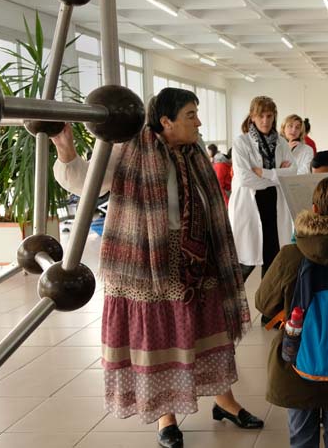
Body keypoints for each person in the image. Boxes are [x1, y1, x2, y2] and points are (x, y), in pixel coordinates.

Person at [51, 88, 261, 448]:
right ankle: (167, 417)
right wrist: (65, 149)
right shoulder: (128, 148)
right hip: (148, 262)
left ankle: (225, 402)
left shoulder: (193, 151)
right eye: (191, 115)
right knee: (161, 336)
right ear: (166, 121)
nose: (199, 122)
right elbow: (87, 183)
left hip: (197, 256)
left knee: (208, 331)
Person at [256, 176, 328, 448]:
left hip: (296, 363)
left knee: (302, 438)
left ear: (315, 210)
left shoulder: (291, 255)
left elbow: (264, 303)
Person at [229, 96, 296, 279]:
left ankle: (266, 298)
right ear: (252, 117)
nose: (265, 121)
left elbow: (293, 171)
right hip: (250, 205)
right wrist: (278, 176)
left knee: (272, 257)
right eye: (261, 116)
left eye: (269, 116)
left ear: (274, 116)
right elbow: (244, 178)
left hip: (274, 204)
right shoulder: (241, 142)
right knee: (246, 263)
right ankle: (232, 297)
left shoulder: (281, 142)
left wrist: (264, 173)